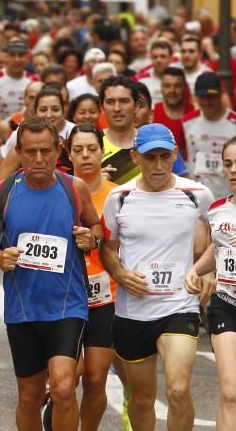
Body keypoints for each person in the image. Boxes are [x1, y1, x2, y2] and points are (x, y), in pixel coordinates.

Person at [0, 116, 102, 431]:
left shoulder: (75, 188)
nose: (38, 159)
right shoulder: (1, 192)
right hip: (23, 310)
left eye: (46, 151)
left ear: (59, 150)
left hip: (67, 306)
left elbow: (96, 226)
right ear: (18, 151)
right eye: (30, 152)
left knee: (62, 387)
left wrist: (92, 237)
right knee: (29, 397)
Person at [99, 123, 214, 431]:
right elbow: (107, 248)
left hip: (180, 306)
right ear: (135, 157)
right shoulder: (119, 198)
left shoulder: (197, 194)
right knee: (141, 398)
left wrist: (207, 270)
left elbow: (222, 237)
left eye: (165, 156)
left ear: (175, 154)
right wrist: (120, 273)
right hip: (132, 311)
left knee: (178, 390)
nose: (159, 165)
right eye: (151, 158)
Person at [65, 124, 119, 431]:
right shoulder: (59, 190)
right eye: (78, 150)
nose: (85, 155)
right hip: (66, 296)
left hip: (105, 296)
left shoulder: (119, 196)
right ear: (68, 154)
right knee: (66, 378)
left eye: (92, 149)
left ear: (102, 151)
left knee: (96, 378)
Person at [185, 135, 236, 429]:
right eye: (228, 163)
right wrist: (196, 270)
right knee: (229, 392)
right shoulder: (216, 210)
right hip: (226, 304)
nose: (232, 170)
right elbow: (217, 250)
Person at [100, 77, 186, 184]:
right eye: (110, 102)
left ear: (136, 106)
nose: (117, 108)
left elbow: (186, 185)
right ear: (102, 107)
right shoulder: (91, 144)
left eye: (124, 101)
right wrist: (94, 182)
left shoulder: (160, 142)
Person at [183, 73, 236, 199]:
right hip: (197, 199)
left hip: (228, 199)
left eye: (211, 96)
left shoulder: (233, 123)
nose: (207, 102)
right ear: (195, 97)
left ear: (220, 95)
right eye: (202, 97)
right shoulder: (187, 122)